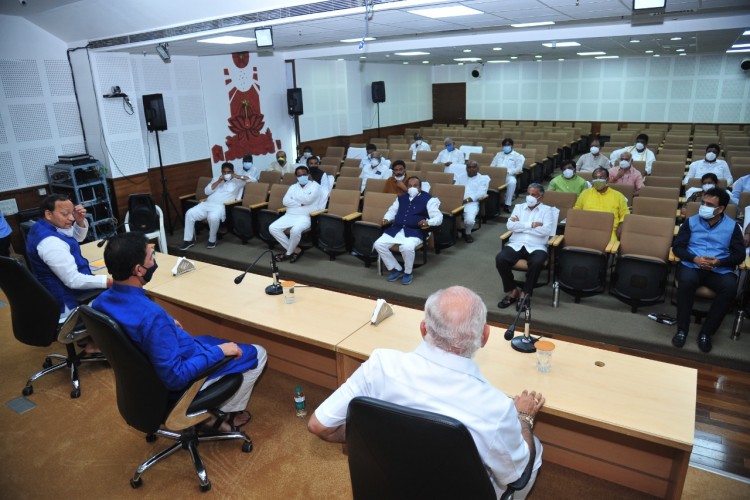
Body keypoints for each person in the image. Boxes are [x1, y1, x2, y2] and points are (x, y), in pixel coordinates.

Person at [308, 286, 544, 499]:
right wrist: (523, 418)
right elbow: (516, 475)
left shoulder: (380, 365)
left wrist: (371, 437)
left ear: (423, 329)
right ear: (484, 336)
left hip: (390, 486)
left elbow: (320, 425)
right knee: (534, 449)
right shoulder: (497, 407)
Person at [93, 232, 267, 431]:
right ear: (139, 269)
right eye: (151, 256)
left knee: (210, 339)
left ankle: (210, 411)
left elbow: (131, 323)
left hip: (149, 377)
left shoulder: (101, 302)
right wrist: (219, 352)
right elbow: (176, 377)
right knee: (258, 352)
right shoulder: (152, 318)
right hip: (177, 379)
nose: (155, 260)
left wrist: (165, 323)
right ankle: (215, 417)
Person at [671, 188, 744, 353]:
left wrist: (720, 262)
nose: (704, 206)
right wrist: (694, 259)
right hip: (693, 265)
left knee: (730, 288)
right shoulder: (690, 222)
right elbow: (678, 248)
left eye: (709, 204)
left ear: (721, 209)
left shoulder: (733, 227)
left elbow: (739, 255)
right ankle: (682, 330)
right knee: (686, 281)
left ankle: (706, 333)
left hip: (719, 270)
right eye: (703, 203)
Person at [25, 194, 110, 318]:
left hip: (59, 293)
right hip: (69, 302)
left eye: (72, 213)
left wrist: (79, 221)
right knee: (123, 295)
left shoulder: (42, 226)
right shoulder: (50, 243)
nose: (71, 218)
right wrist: (108, 281)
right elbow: (73, 280)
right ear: (49, 214)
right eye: (65, 214)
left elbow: (76, 237)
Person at [495, 184, 555, 312]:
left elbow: (545, 231)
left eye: (533, 195)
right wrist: (532, 225)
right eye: (528, 194)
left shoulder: (548, 211)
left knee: (537, 262)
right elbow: (510, 226)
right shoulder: (519, 207)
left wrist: (520, 225)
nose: (529, 197)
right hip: (516, 243)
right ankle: (513, 290)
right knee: (500, 259)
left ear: (541, 197)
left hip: (537, 246)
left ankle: (525, 294)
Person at [373, 176, 442, 286]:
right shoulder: (401, 198)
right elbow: (392, 211)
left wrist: (428, 222)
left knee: (406, 247)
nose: (412, 188)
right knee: (378, 244)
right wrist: (386, 218)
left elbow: (439, 218)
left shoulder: (429, 199)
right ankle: (396, 268)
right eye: (410, 186)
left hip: (415, 231)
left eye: (415, 185)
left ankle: (408, 272)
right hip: (397, 229)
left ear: (420, 187)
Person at [179, 162, 251, 250]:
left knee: (213, 217)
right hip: (207, 204)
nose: (226, 174)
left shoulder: (238, 182)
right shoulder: (216, 179)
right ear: (221, 172)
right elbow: (206, 191)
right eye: (224, 172)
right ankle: (188, 241)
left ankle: (212, 240)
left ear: (232, 171)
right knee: (189, 213)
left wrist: (239, 176)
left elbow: (252, 180)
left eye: (229, 172)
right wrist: (218, 181)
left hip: (220, 207)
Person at [269, 165, 324, 263]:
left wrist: (294, 198)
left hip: (305, 217)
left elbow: (308, 200)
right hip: (289, 215)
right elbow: (285, 201)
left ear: (308, 175)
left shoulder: (316, 186)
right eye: (299, 175)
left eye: (304, 174)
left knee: (294, 231)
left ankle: (288, 253)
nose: (302, 177)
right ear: (296, 177)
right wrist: (301, 203)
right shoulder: (293, 187)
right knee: (272, 228)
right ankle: (296, 250)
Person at [574, 167, 629, 242]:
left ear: (607, 179)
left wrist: (621, 225)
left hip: (609, 232)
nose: (598, 180)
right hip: (586, 229)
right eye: (595, 178)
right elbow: (576, 211)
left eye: (601, 177)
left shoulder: (618, 196)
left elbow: (625, 214)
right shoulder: (585, 193)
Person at [455, 160, 489, 243]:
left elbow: (481, 193)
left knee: (470, 220)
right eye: (468, 167)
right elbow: (455, 188)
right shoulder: (460, 176)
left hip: (471, 203)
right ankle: (453, 231)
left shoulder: (482, 179)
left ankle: (467, 233)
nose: (470, 169)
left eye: (473, 167)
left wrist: (466, 200)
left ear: (478, 169)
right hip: (458, 200)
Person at [490, 138, 525, 212]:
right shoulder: (498, 154)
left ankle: (507, 204)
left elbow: (519, 168)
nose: (506, 147)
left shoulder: (517, 156)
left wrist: (509, 172)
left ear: (512, 145)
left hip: (508, 176)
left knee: (512, 182)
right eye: (504, 145)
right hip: (497, 175)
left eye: (508, 145)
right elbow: (492, 165)